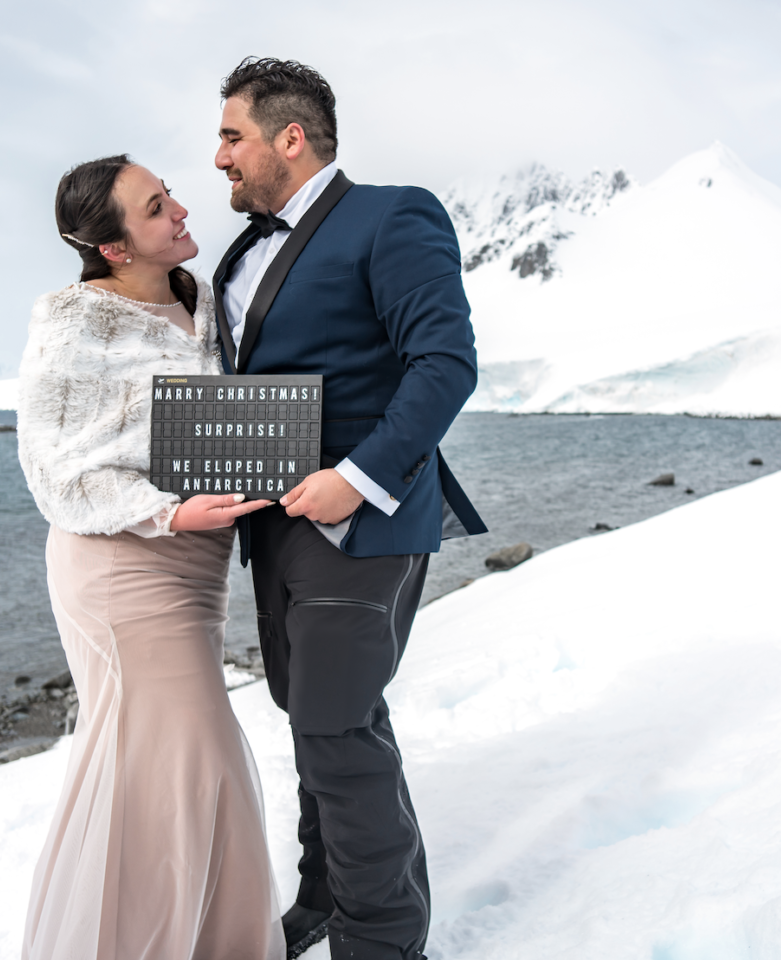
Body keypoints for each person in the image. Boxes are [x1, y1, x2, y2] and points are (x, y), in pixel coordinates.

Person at [211, 58, 487, 960]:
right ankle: (324, 894)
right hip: (273, 527)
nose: (218, 158)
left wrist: (357, 476)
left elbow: (443, 365)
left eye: (231, 136)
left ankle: (383, 941)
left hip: (364, 523)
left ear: (290, 138)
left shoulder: (393, 215)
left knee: (335, 723)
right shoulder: (237, 256)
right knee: (315, 718)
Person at [16, 154, 285, 960]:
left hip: (198, 562)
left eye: (168, 196)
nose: (179, 211)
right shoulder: (71, 320)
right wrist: (168, 513)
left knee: (179, 760)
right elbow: (53, 471)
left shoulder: (203, 297)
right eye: (155, 207)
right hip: (120, 561)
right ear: (114, 249)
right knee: (177, 758)